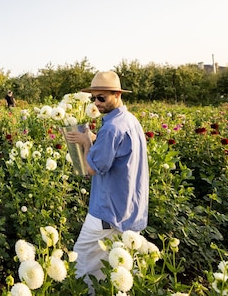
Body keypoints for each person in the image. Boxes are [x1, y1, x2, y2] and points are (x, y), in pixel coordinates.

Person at [65, 71, 149, 291]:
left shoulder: (111, 127)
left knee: (81, 264)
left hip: (107, 213)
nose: (96, 103)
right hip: (129, 209)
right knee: (115, 271)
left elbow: (92, 168)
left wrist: (85, 142)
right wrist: (95, 139)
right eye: (94, 98)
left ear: (117, 94)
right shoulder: (130, 121)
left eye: (101, 98)